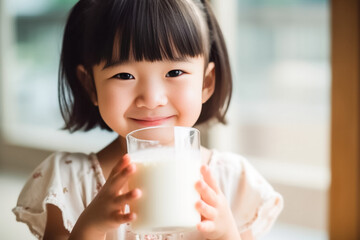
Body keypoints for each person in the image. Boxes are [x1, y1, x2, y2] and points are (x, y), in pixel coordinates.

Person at [12, 0, 283, 239]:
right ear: (90, 86)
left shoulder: (231, 181)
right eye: (124, 76)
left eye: (175, 72)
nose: (152, 99)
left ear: (207, 82)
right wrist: (91, 227)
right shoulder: (71, 182)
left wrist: (226, 234)